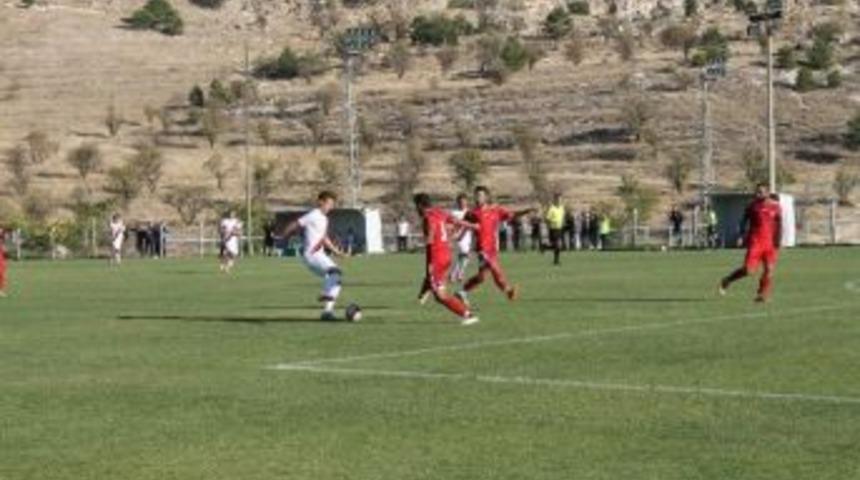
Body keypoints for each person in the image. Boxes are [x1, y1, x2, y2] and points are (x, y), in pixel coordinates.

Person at [458, 186, 532, 304]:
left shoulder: (495, 210)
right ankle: (508, 291)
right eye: (476, 195)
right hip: (482, 248)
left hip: (492, 248)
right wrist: (458, 236)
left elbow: (512, 214)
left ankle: (462, 292)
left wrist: (526, 211)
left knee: (482, 277)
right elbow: (462, 224)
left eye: (481, 195)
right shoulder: (472, 213)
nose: (478, 198)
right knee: (495, 268)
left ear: (486, 197)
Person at [414, 193, 479, 325]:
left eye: (416, 207)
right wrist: (472, 226)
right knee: (439, 289)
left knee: (440, 296)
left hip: (437, 257)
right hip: (446, 255)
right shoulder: (439, 212)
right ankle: (423, 296)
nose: (416, 210)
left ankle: (467, 315)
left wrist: (430, 260)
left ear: (420, 205)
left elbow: (431, 240)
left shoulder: (427, 218)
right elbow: (456, 221)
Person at [282, 191, 347, 321]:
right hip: (312, 255)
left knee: (336, 279)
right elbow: (296, 224)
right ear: (320, 202)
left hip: (319, 255)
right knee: (334, 272)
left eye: (333, 204)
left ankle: (327, 312)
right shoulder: (313, 215)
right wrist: (283, 236)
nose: (331, 207)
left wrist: (337, 251)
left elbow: (324, 238)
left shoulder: (325, 219)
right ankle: (325, 293)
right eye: (329, 203)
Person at [719, 183, 782, 303]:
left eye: (760, 192)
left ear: (767, 193)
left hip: (770, 244)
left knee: (769, 270)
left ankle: (762, 294)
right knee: (749, 271)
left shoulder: (776, 207)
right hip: (756, 242)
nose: (757, 194)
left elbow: (779, 225)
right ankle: (727, 280)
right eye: (757, 192)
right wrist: (741, 235)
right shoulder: (752, 206)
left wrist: (777, 241)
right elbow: (743, 221)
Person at [449, 194, 473, 283]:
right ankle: (459, 274)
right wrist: (451, 235)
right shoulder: (454, 213)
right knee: (464, 254)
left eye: (464, 201)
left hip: (468, 236)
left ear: (467, 202)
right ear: (458, 202)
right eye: (460, 202)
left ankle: (455, 274)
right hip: (458, 236)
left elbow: (472, 224)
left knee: (462, 256)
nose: (462, 203)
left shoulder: (469, 212)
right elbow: (451, 225)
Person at [545, 194, 565, 266]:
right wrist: (550, 225)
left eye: (560, 199)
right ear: (555, 200)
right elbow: (547, 219)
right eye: (558, 199)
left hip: (559, 229)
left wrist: (562, 224)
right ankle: (556, 261)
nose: (559, 201)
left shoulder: (562, 208)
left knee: (557, 245)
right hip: (553, 229)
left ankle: (544, 246)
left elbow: (561, 217)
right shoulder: (552, 208)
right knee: (557, 245)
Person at [0, 226, 7, 298]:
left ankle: (1, 291)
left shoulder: (2, 244)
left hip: (1, 262)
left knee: (2, 276)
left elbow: (4, 251)